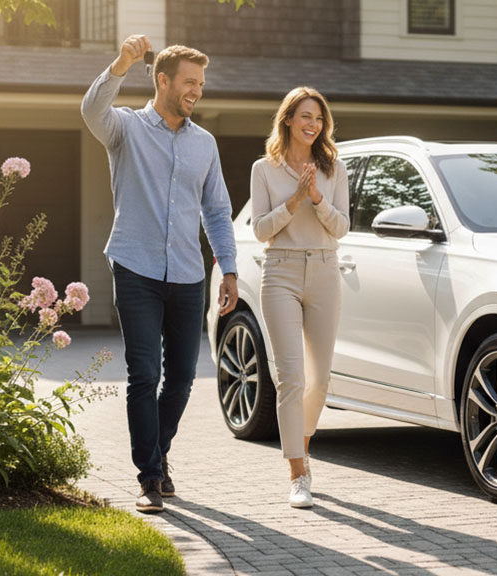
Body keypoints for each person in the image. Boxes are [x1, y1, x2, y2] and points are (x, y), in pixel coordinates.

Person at [81, 35, 238, 513]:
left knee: (185, 377)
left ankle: (157, 451)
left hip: (189, 273)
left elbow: (216, 209)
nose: (197, 91)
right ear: (163, 81)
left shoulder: (204, 144)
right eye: (190, 82)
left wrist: (228, 270)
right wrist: (121, 63)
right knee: (144, 374)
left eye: (202, 84)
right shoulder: (126, 129)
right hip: (136, 267)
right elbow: (91, 111)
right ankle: (150, 476)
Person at [251, 87, 349, 508]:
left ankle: (302, 449)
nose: (313, 124)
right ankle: (297, 473)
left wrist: (316, 198)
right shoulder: (264, 169)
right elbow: (259, 230)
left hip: (326, 270)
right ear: (288, 119)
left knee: (320, 378)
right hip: (281, 272)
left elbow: (341, 227)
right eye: (305, 116)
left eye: (319, 118)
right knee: (291, 377)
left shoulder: (334, 169)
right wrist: (293, 201)